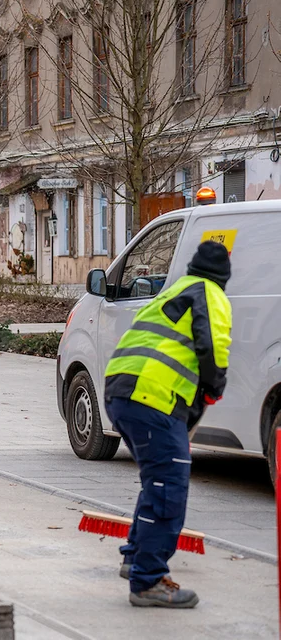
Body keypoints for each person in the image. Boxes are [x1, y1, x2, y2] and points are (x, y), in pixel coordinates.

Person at [105, 241, 232, 609]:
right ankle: (148, 581)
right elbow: (214, 347)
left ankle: (135, 559)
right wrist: (213, 389)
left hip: (122, 392)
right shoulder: (210, 294)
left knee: (156, 483)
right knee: (168, 490)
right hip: (152, 399)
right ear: (224, 274)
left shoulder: (173, 290)